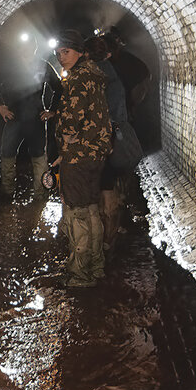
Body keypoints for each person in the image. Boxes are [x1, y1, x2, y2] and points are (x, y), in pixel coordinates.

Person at [48, 30, 111, 287]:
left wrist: (64, 149)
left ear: (81, 52)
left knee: (77, 214)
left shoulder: (77, 79)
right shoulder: (93, 75)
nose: (62, 57)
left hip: (80, 155)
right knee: (92, 210)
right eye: (59, 53)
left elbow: (71, 121)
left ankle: (80, 273)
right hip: (96, 153)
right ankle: (96, 266)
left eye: (67, 52)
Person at [86, 34, 144, 247]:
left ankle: (107, 241)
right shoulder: (111, 73)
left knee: (106, 193)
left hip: (106, 141)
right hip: (112, 138)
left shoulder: (101, 77)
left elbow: (106, 113)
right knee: (110, 190)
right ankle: (109, 236)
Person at [0, 36, 56, 200]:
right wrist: (0, 106)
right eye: (23, 47)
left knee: (39, 157)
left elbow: (59, 88)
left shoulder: (44, 65)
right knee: (7, 154)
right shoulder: (10, 67)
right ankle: (7, 192)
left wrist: (53, 110)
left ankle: (40, 195)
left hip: (36, 119)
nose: (27, 50)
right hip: (14, 117)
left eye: (30, 47)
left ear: (35, 48)